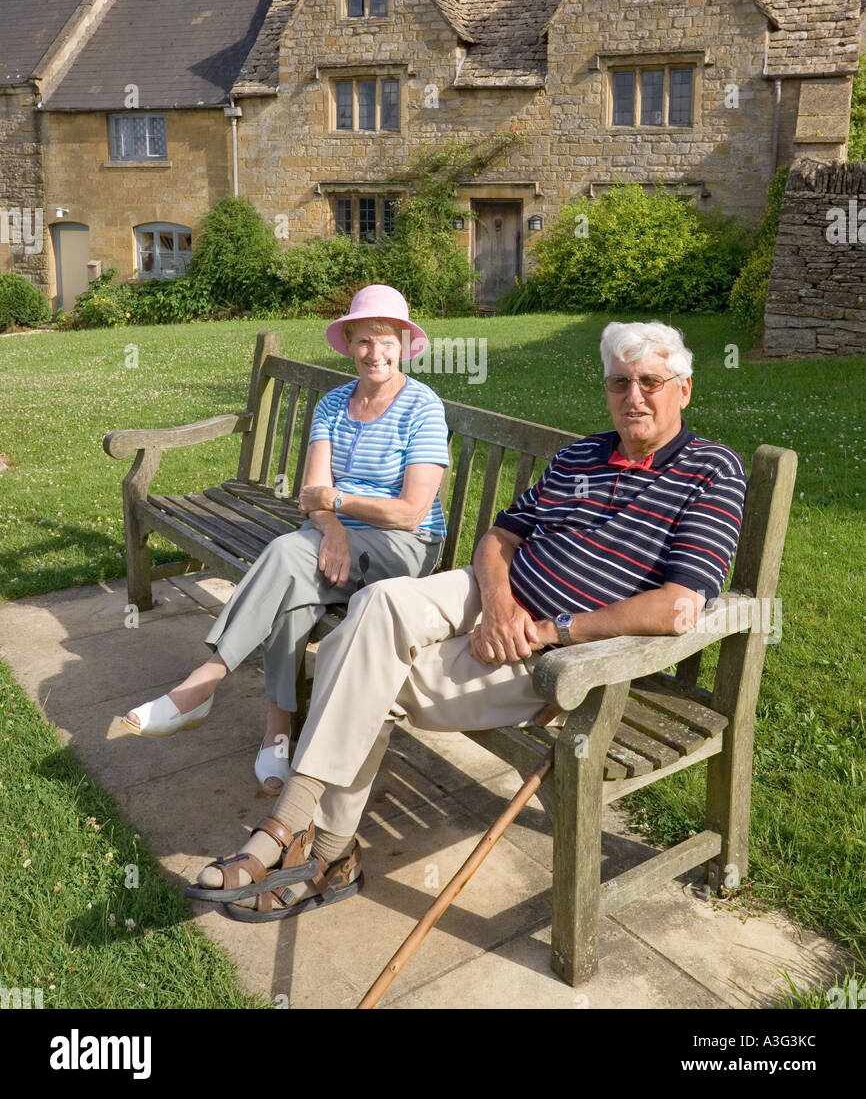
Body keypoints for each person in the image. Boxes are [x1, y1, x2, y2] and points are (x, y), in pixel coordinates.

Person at [186, 319, 748, 918]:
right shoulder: (582, 454)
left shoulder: (712, 471)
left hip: (563, 652)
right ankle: (310, 843)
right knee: (377, 605)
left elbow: (678, 606)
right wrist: (501, 604)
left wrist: (547, 632)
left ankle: (309, 843)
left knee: (363, 672)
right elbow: (500, 536)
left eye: (651, 382)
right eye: (619, 383)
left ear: (683, 389)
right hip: (494, 599)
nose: (633, 397)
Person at [122, 284, 450, 795]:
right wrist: (334, 527)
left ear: (404, 343)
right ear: (349, 343)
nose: (374, 353)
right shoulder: (334, 404)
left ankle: (204, 683)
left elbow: (408, 512)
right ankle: (277, 739)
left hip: (402, 546)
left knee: (286, 555)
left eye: (385, 340)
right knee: (295, 589)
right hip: (332, 535)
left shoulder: (422, 408)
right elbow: (309, 497)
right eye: (363, 341)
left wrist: (336, 505)